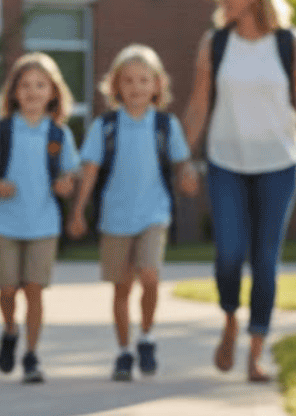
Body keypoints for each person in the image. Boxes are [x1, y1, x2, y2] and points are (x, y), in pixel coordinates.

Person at [179, 0, 296, 381]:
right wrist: (184, 158)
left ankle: (256, 351)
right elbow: (197, 105)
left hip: (280, 164)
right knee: (228, 254)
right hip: (226, 162)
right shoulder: (215, 43)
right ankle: (229, 323)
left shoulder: (290, 43)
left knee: (265, 258)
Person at [67, 44, 198, 381]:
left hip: (154, 212)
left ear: (157, 85)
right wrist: (79, 211)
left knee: (150, 275)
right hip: (115, 216)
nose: (136, 87)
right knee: (122, 288)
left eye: (143, 80)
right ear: (116, 87)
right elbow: (91, 170)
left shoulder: (166, 126)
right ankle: (124, 351)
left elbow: (181, 162)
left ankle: (147, 337)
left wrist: (187, 175)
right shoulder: (105, 127)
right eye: (128, 81)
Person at [0, 53, 80, 384]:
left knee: (34, 290)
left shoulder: (59, 135)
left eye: (40, 85)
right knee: (7, 290)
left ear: (53, 93)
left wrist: (65, 186)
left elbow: (68, 178)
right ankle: (9, 330)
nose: (32, 91)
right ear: (14, 92)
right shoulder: (1, 130)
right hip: (6, 223)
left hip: (44, 224)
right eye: (25, 85)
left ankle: (32, 355)